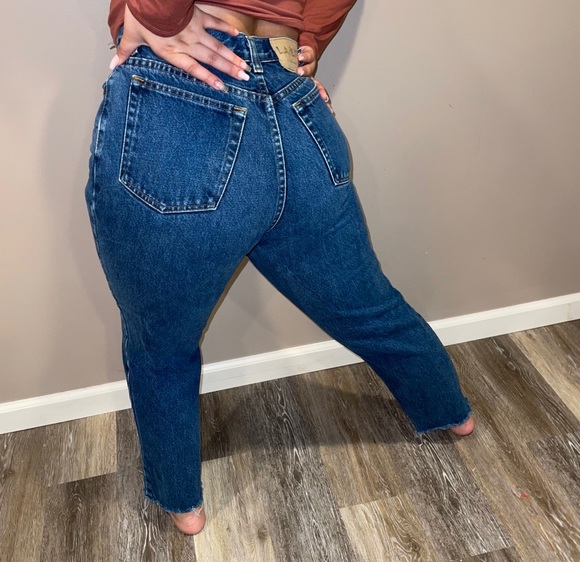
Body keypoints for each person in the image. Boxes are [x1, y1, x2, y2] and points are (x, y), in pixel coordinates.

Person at [86, 0, 474, 535]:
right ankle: (452, 411)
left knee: (162, 346)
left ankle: (182, 502)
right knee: (369, 307)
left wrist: (160, 15)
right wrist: (307, 39)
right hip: (291, 97)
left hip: (183, 94)